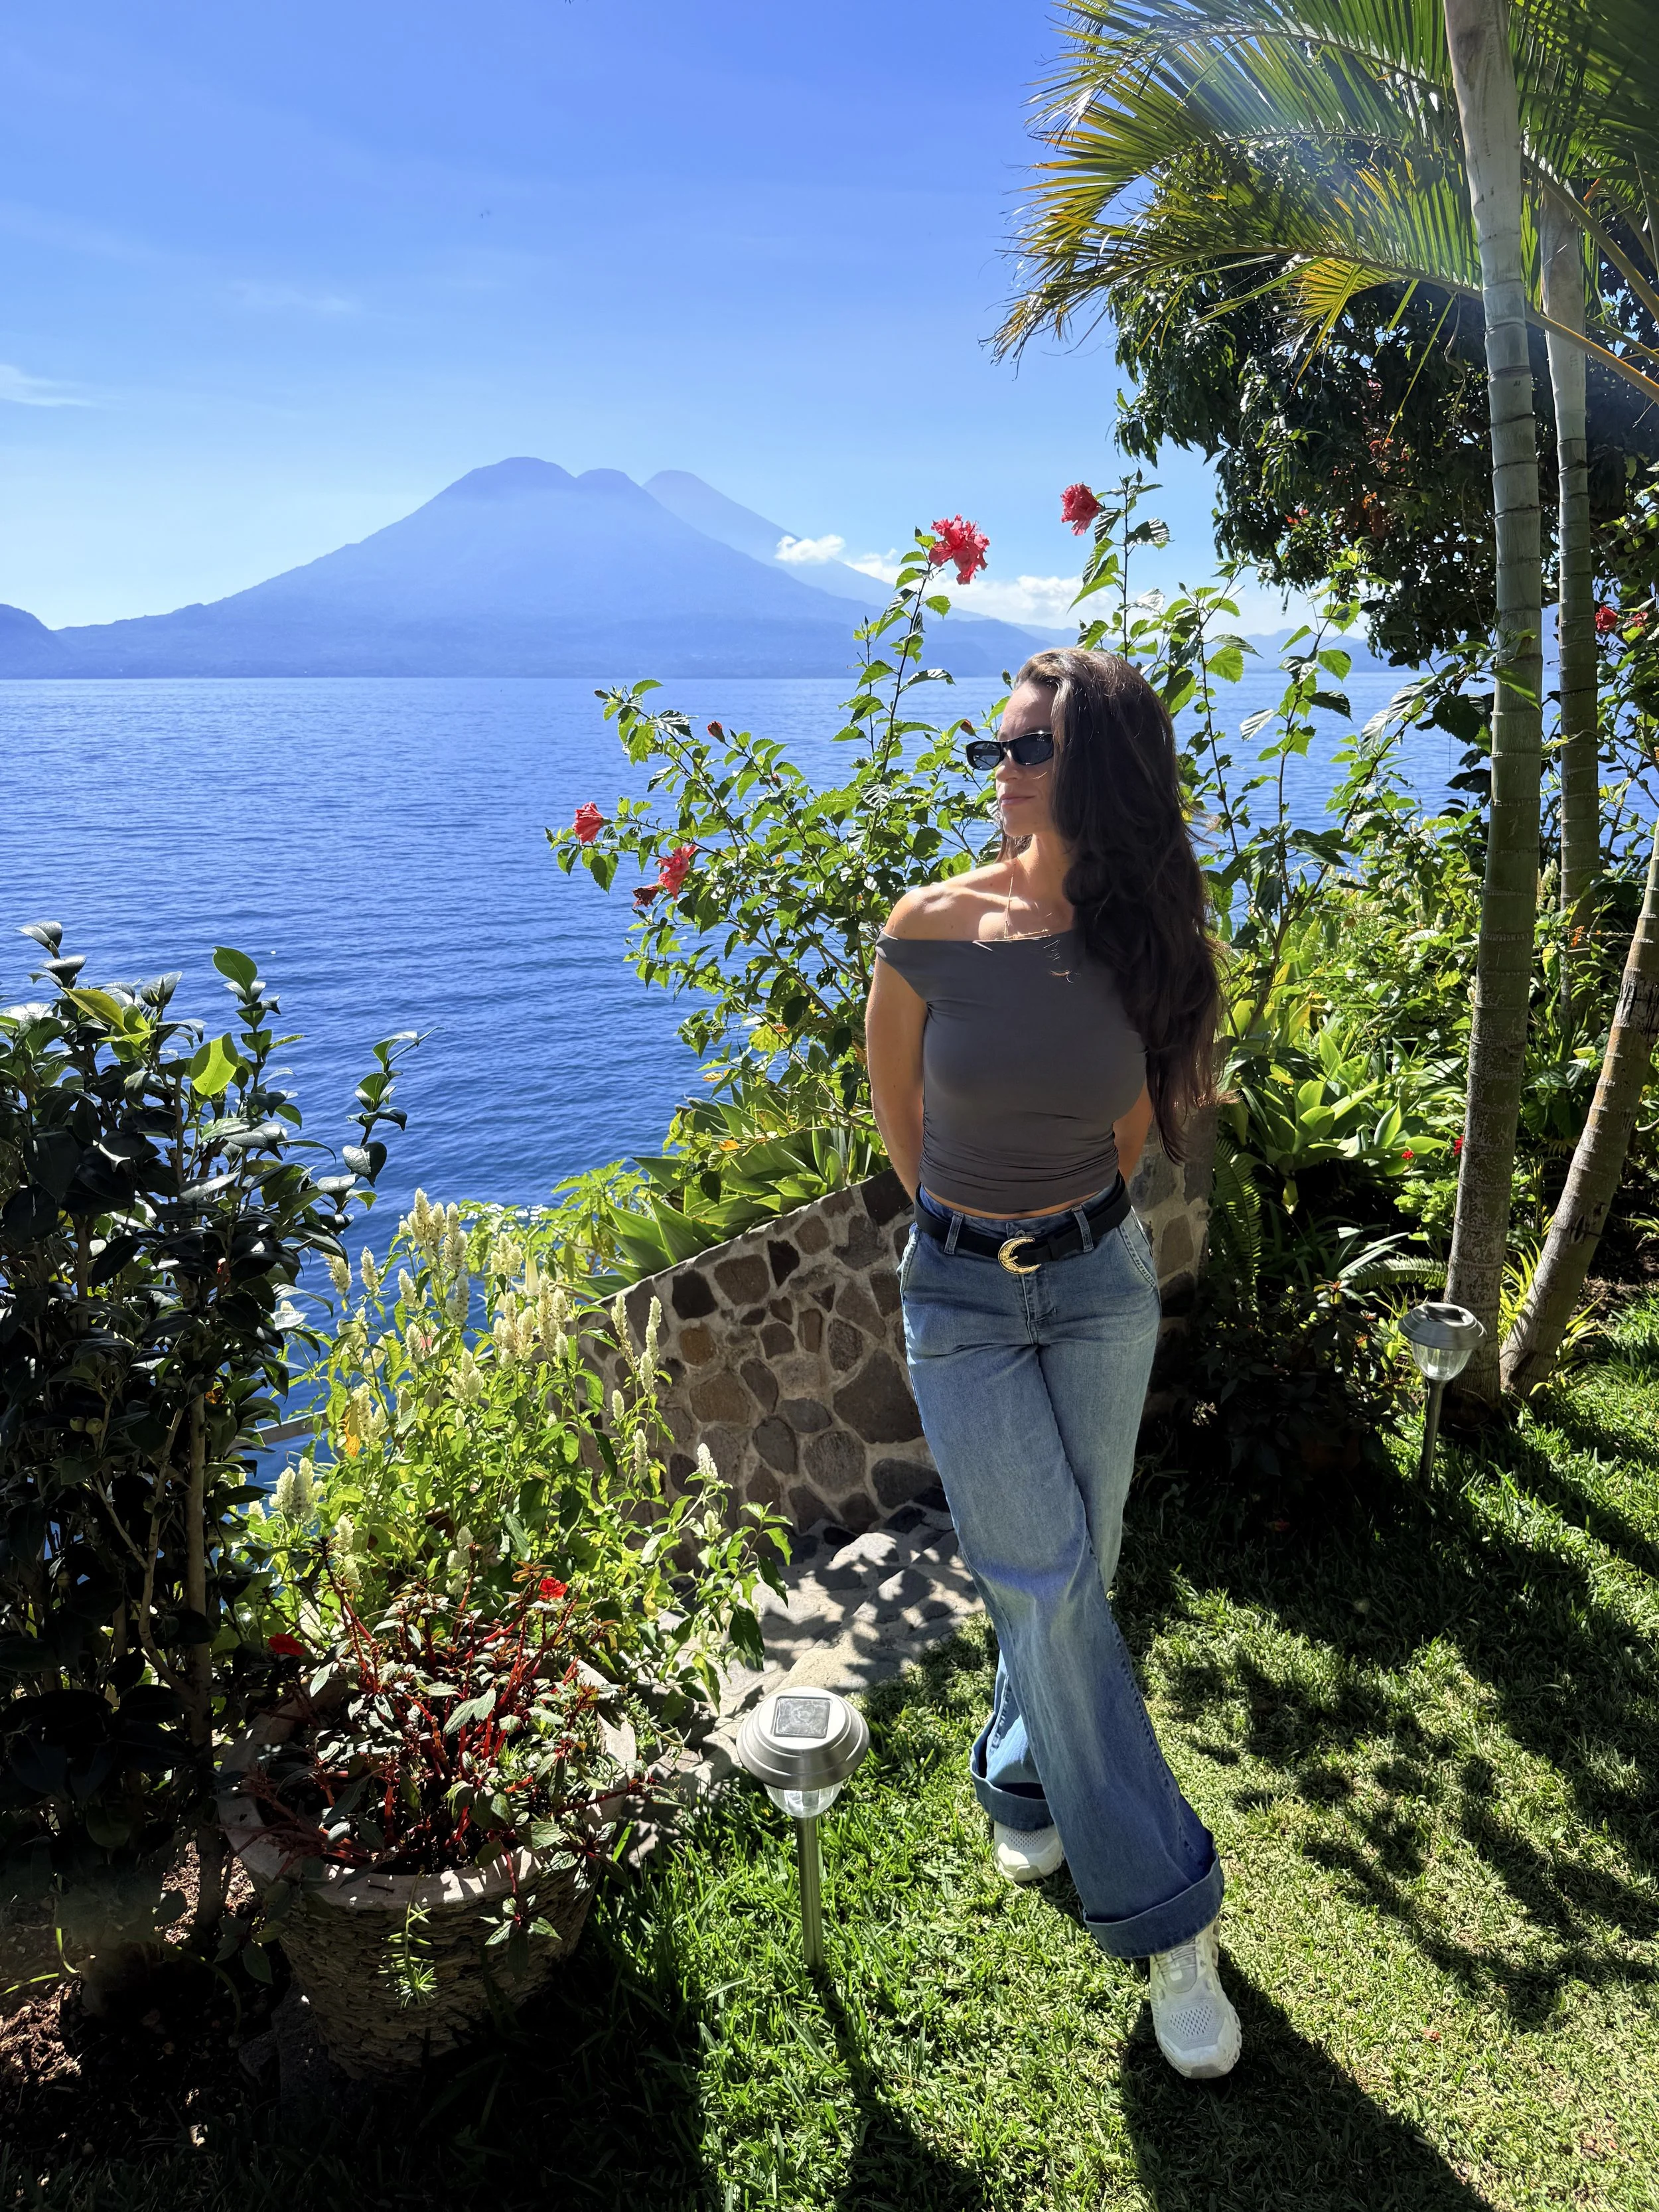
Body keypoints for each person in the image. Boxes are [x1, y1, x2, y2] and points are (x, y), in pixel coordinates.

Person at [864, 646, 1239, 2081]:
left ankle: (1018, 1767)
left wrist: (1063, 1223)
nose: (1000, 771)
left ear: (1095, 767)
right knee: (1041, 1575)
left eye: (1026, 747)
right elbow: (897, 1103)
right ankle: (1165, 1912)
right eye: (998, 747)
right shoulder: (931, 925)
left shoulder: (1150, 939)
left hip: (1096, 1282)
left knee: (1081, 1558)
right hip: (959, 1295)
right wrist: (961, 1228)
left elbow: (1134, 1127)